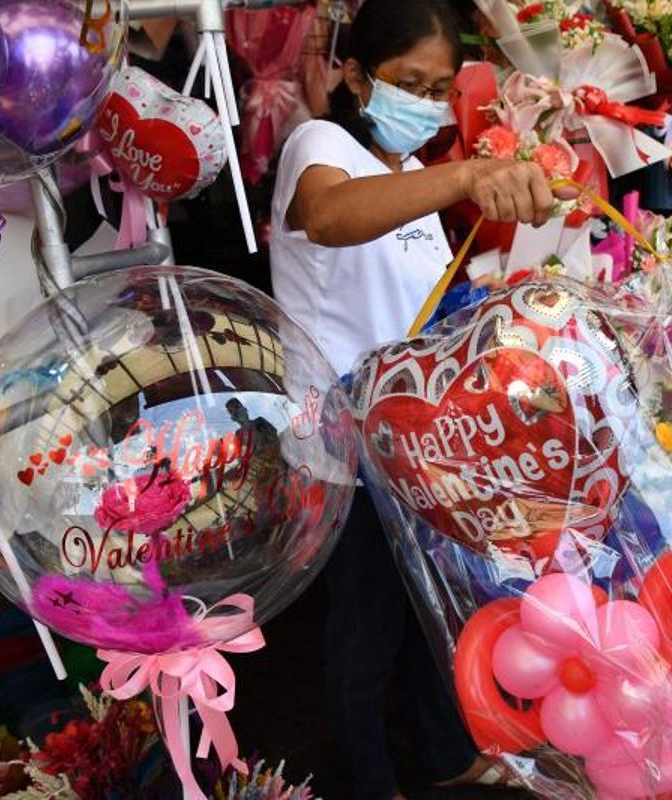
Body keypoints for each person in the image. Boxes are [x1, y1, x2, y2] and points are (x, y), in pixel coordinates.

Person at [268, 1, 565, 797]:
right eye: (410, 84)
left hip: (415, 440)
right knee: (367, 625)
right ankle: (368, 781)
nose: (428, 106)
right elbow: (328, 218)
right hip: (342, 441)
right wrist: (468, 174)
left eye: (441, 91)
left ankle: (442, 754)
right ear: (357, 76)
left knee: (434, 601)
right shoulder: (319, 145)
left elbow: (425, 309)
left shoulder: (408, 178)